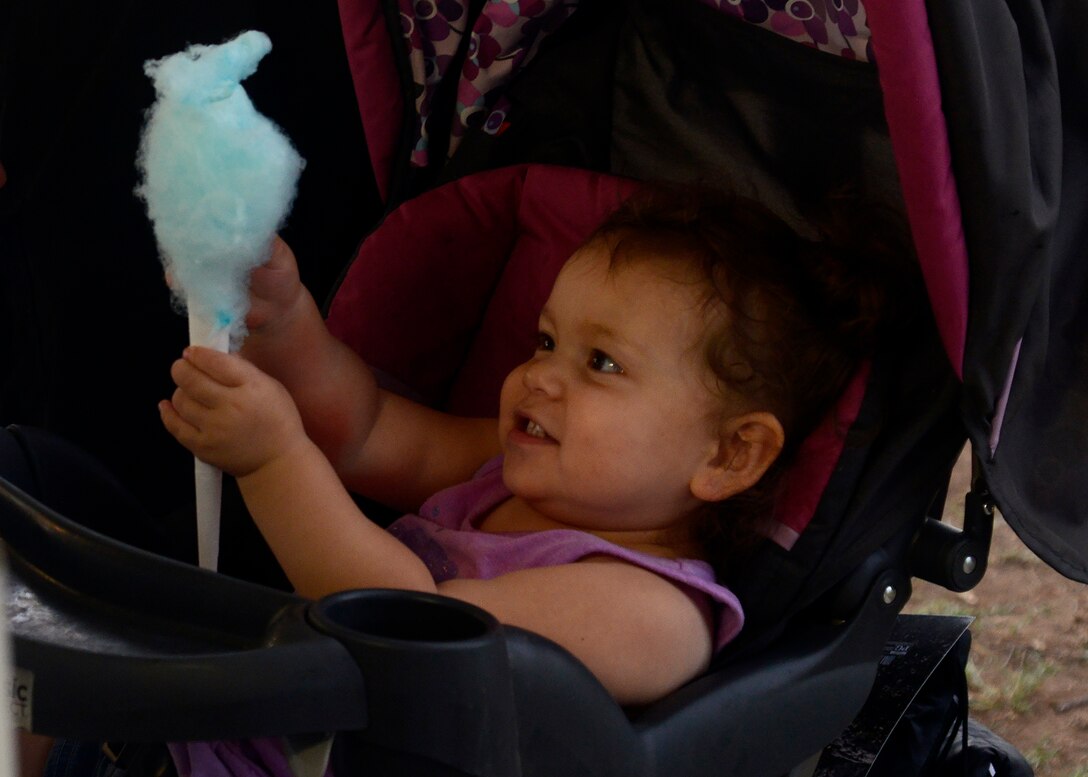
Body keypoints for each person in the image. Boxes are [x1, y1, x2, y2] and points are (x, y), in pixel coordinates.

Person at [159, 186, 905, 707]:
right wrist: (286, 320)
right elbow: (367, 430)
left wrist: (273, 461)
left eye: (602, 363)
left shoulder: (653, 612)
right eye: (546, 340)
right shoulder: (509, 471)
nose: (539, 374)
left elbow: (412, 628)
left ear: (729, 455)